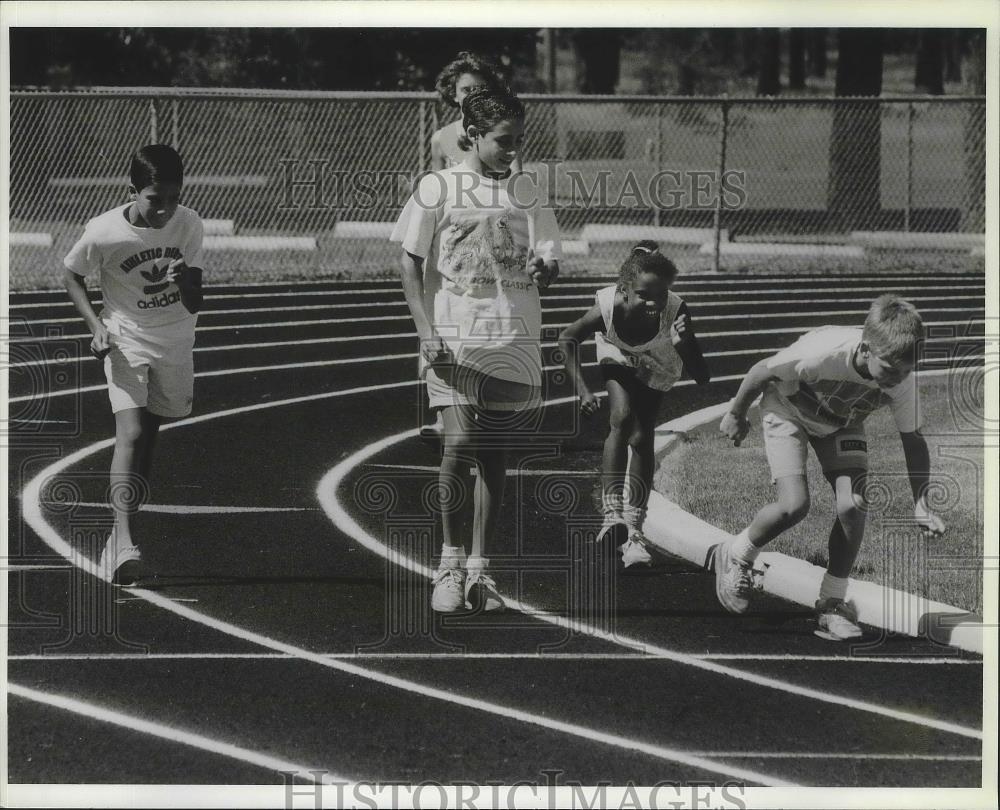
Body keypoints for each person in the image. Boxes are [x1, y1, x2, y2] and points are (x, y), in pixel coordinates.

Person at [391, 86, 561, 613]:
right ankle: (449, 561)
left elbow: (549, 261)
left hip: (512, 335)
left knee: (494, 455)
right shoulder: (438, 187)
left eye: (518, 141)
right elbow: (408, 262)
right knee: (458, 444)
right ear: (473, 134)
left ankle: (481, 572)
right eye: (503, 141)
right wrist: (425, 328)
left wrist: (545, 269)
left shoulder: (528, 191)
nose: (513, 151)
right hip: (455, 336)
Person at [715, 295, 946, 640]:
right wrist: (736, 414)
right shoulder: (823, 352)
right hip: (788, 407)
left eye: (907, 370)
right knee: (794, 505)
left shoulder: (901, 381)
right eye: (891, 369)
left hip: (840, 423)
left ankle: (832, 603)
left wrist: (921, 503)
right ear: (866, 349)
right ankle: (737, 554)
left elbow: (913, 440)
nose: (899, 378)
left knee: (853, 505)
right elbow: (761, 371)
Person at [63, 144, 204, 585]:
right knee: (132, 431)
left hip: (175, 337)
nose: (164, 210)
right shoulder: (104, 232)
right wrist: (96, 326)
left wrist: (184, 284)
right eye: (154, 199)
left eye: (172, 198)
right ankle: (123, 541)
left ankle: (119, 531)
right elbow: (71, 273)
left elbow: (198, 300)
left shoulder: (190, 224)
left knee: (152, 433)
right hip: (125, 336)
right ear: (132, 192)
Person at [559, 241, 710, 568]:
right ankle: (612, 513)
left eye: (661, 294)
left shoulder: (675, 309)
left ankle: (635, 531)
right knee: (621, 417)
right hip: (618, 349)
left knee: (642, 437)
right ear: (624, 289)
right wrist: (584, 391)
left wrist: (684, 345)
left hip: (659, 359)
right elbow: (567, 338)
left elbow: (702, 377)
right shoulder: (608, 308)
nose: (653, 302)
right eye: (643, 294)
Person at [420, 51, 521, 447]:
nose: (471, 94)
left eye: (479, 88)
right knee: (439, 311)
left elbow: (514, 177)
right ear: (452, 93)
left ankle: (480, 402)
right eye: (465, 89)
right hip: (451, 232)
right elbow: (432, 181)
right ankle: (444, 408)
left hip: (489, 233)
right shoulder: (442, 137)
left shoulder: (499, 131)